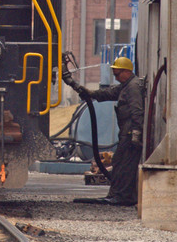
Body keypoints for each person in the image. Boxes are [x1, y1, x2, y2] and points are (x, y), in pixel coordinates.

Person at [62, 56, 145, 206]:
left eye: (118, 74)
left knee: (124, 165)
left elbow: (137, 111)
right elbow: (106, 93)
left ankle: (123, 197)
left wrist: (136, 133)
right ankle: (118, 195)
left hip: (130, 133)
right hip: (126, 133)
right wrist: (87, 92)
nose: (116, 77)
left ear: (127, 71)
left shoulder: (132, 87)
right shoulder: (125, 86)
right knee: (119, 163)